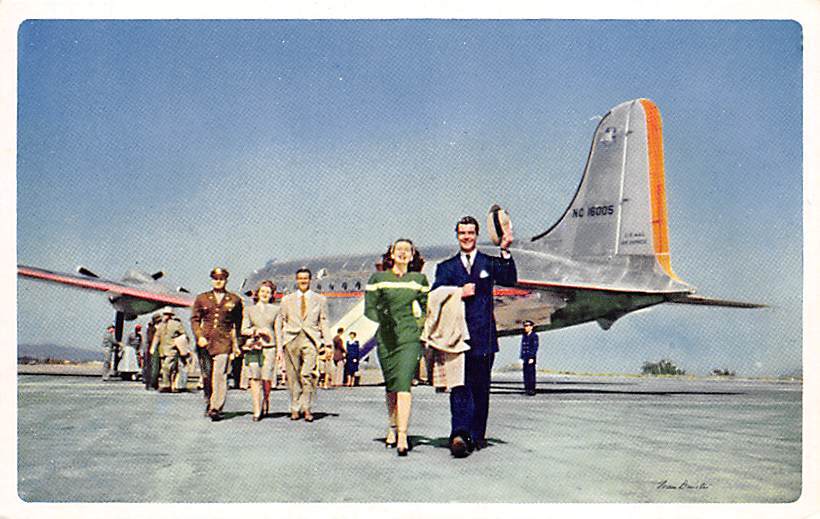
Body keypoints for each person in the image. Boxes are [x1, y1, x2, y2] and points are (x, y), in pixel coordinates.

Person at [431, 215, 517, 458]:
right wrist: (459, 292)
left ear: (477, 235)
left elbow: (510, 279)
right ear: (457, 236)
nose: (466, 237)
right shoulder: (446, 268)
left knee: (480, 389)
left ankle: (477, 435)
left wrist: (505, 250)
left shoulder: (488, 263)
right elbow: (435, 296)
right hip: (457, 337)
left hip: (483, 337)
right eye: (462, 233)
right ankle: (459, 434)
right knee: (459, 387)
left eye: (470, 233)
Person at [364, 239, 429, 456]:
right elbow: (369, 308)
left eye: (407, 250)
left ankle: (402, 434)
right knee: (392, 386)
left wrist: (417, 327)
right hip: (386, 337)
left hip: (408, 338)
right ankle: (392, 427)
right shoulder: (378, 279)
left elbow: (426, 307)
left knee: (404, 384)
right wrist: (384, 319)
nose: (403, 253)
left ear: (412, 255)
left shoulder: (418, 280)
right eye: (398, 249)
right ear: (391, 254)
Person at [191, 267, 244, 422]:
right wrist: (199, 336)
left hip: (223, 342)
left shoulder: (234, 300)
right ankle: (209, 400)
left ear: (226, 280)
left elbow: (238, 323)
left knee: (220, 375)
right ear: (211, 280)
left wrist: (237, 344)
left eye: (221, 279)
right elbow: (195, 319)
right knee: (207, 376)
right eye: (215, 279)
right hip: (205, 342)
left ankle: (216, 407)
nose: (218, 281)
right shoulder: (202, 298)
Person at [279, 268, 331, 422]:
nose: (303, 281)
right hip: (291, 339)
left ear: (310, 280)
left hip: (311, 339)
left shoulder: (320, 300)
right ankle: (295, 407)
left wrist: (328, 343)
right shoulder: (286, 300)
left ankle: (307, 407)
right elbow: (282, 320)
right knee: (293, 376)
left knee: (307, 374)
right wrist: (281, 342)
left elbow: (324, 321)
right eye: (300, 278)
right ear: (296, 280)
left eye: (306, 278)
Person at [241, 280, 282, 421]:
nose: (265, 294)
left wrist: (280, 350)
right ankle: (256, 409)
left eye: (268, 292)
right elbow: (243, 329)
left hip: (270, 347)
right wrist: (256, 331)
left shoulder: (276, 310)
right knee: (254, 378)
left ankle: (266, 399)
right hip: (253, 347)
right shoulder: (249, 310)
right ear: (257, 293)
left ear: (272, 295)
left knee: (266, 378)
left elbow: (278, 331)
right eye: (262, 291)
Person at [150, 307, 188, 393]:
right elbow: (157, 336)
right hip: (162, 350)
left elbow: (183, 335)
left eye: (167, 314)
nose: (165, 316)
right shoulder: (161, 325)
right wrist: (153, 348)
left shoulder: (176, 324)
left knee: (167, 367)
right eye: (165, 314)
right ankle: (169, 385)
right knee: (166, 368)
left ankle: (166, 385)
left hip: (172, 349)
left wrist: (181, 346)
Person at [520, 320, 539, 396]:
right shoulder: (524, 336)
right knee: (526, 374)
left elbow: (534, 347)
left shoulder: (534, 336)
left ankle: (532, 389)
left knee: (531, 374)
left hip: (530, 357)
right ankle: (527, 389)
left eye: (528, 326)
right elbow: (522, 347)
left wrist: (532, 357)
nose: (526, 327)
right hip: (525, 357)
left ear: (532, 327)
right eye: (525, 326)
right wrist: (522, 356)